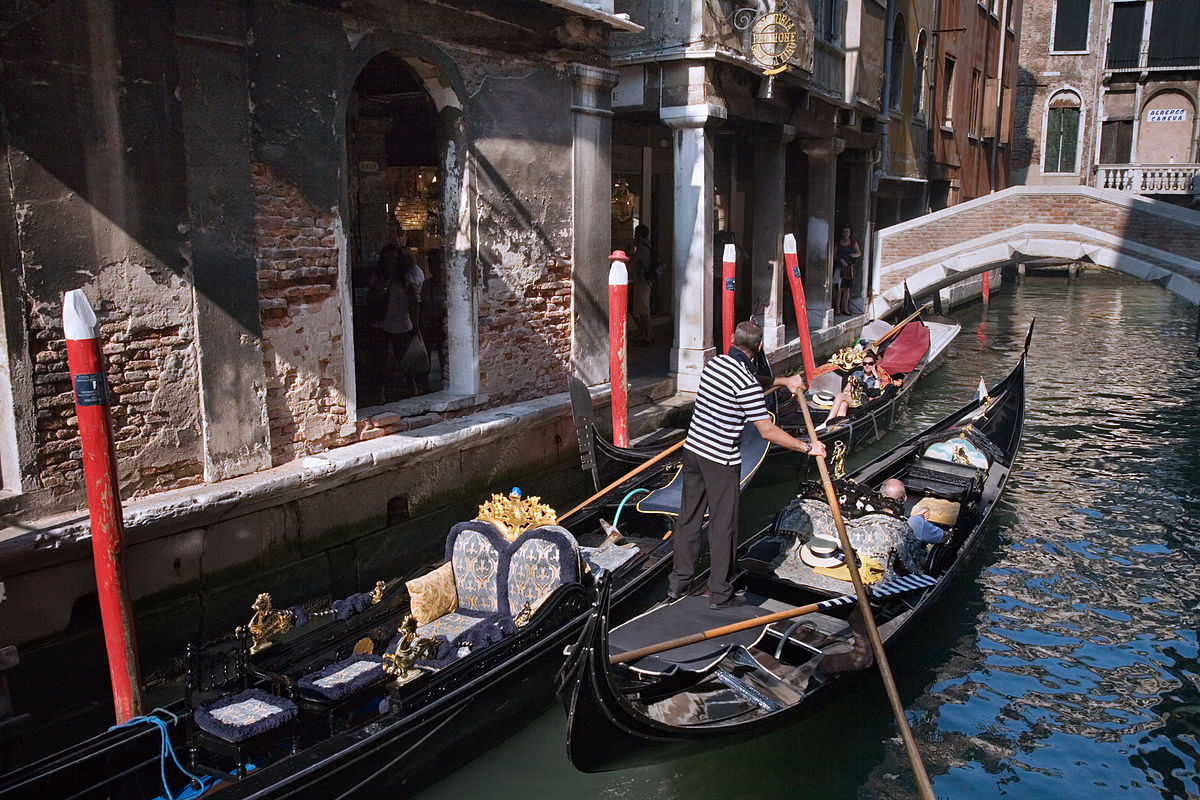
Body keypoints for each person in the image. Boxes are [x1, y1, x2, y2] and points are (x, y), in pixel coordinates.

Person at [669, 320, 827, 609]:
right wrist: (807, 447)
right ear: (759, 347)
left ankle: (678, 582)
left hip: (693, 451)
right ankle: (719, 593)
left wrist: (782, 381)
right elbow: (767, 430)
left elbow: (754, 382)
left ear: (732, 340)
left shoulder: (715, 365)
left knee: (689, 518)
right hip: (720, 461)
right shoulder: (746, 382)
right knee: (722, 525)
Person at [371, 244, 425, 400]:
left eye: (394, 259)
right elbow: (371, 298)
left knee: (406, 358)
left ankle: (412, 388)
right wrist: (379, 291)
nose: (390, 262)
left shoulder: (406, 277)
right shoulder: (378, 276)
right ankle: (380, 394)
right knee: (380, 360)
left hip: (402, 323)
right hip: (381, 323)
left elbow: (413, 301)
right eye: (387, 259)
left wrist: (415, 324)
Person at [826, 348, 900, 421]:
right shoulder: (857, 374)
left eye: (870, 364)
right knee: (843, 403)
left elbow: (875, 393)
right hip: (852, 397)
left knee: (840, 396)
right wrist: (847, 394)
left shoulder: (876, 379)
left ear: (874, 365)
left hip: (863, 400)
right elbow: (846, 389)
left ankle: (828, 421)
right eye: (865, 363)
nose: (867, 365)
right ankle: (839, 423)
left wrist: (875, 374)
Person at [881, 478, 947, 545]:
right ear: (905, 498)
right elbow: (943, 538)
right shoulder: (915, 523)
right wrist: (920, 522)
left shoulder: (872, 517)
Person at [629, 224, 658, 346]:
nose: (635, 236)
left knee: (642, 310)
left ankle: (646, 335)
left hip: (642, 282)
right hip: (644, 282)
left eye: (636, 233)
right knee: (640, 309)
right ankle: (646, 334)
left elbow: (632, 262)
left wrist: (631, 248)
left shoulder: (642, 249)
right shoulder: (648, 247)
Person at [833, 224, 861, 316]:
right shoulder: (838, 243)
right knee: (839, 289)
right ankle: (837, 309)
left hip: (849, 267)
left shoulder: (853, 242)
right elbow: (834, 254)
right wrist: (840, 260)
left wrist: (853, 256)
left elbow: (858, 252)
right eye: (844, 232)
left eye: (847, 232)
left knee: (847, 289)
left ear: (849, 233)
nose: (846, 233)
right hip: (839, 267)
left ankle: (845, 308)